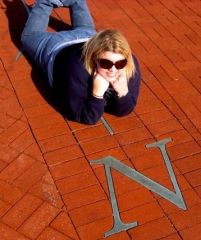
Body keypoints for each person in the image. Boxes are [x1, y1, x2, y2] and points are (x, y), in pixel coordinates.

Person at [21, 0, 141, 124]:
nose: (113, 70)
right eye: (106, 63)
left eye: (120, 64)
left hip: (88, 38)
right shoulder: (78, 68)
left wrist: (123, 93)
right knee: (28, 37)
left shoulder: (130, 65)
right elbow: (85, 117)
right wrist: (97, 94)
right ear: (95, 59)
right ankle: (46, 2)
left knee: (85, 29)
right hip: (56, 45)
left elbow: (125, 111)